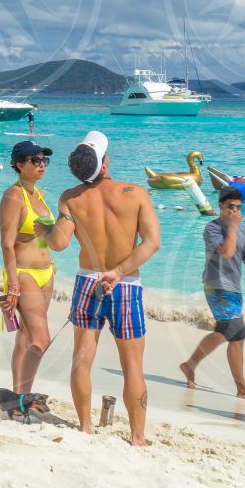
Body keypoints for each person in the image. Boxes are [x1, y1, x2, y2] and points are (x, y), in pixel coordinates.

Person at [59, 131, 160, 446]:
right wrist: (118, 271)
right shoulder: (135, 193)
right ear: (104, 164)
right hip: (125, 284)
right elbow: (152, 243)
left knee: (82, 358)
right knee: (132, 366)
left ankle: (86, 426)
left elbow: (59, 243)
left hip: (88, 281)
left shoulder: (70, 198)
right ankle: (138, 438)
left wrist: (47, 228)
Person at [180, 187, 245, 401]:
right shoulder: (212, 229)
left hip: (234, 288)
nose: (235, 211)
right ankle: (242, 388)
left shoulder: (242, 230)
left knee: (226, 333)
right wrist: (233, 227)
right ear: (220, 206)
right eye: (230, 207)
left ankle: (190, 365)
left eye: (238, 207)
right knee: (236, 333)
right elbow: (226, 252)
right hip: (216, 286)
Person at [0, 140, 73, 395]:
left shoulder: (38, 193)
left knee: (27, 337)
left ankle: (16, 396)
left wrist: (50, 257)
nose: (42, 165)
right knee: (41, 340)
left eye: (44, 160)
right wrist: (13, 285)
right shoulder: (12, 196)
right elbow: (7, 245)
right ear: (19, 165)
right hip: (24, 274)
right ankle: (23, 398)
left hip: (45, 273)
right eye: (35, 161)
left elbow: (41, 232)